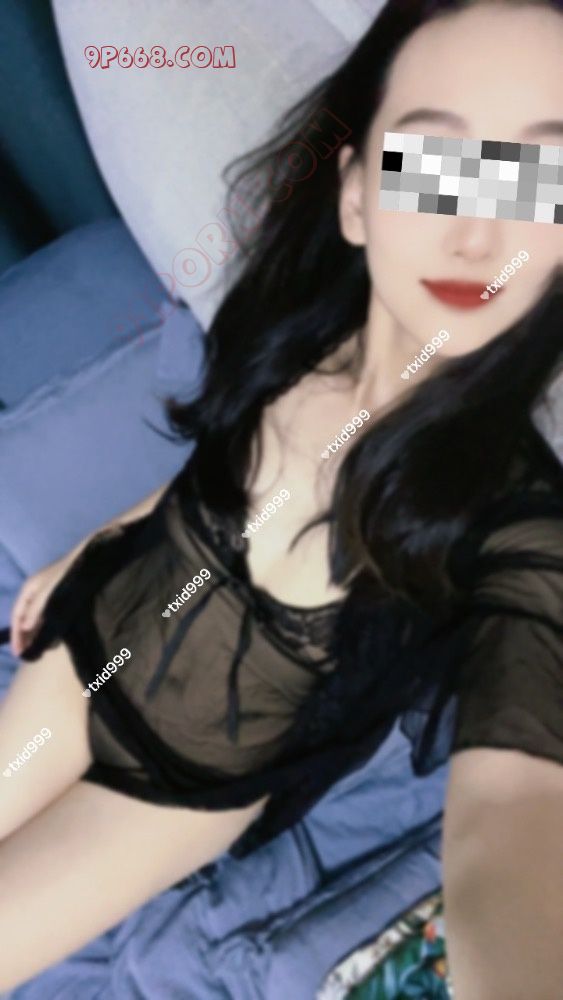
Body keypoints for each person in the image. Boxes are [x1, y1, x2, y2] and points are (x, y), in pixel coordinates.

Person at [1, 0, 562, 994]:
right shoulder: (304, 322)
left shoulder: (510, 512)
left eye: (535, 182)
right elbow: (218, 486)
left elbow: (510, 816)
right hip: (97, 648)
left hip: (173, 787)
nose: (475, 229)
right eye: (432, 164)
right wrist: (92, 546)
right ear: (355, 198)